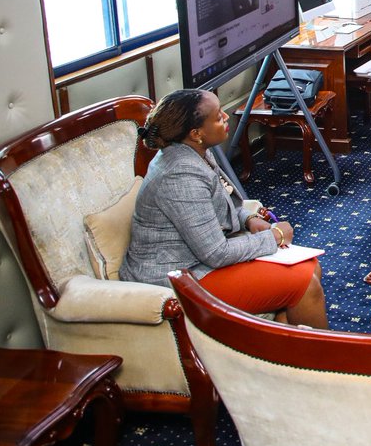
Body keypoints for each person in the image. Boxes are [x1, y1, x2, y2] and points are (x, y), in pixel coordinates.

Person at [121, 89, 328, 328]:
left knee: (310, 265)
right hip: (179, 278)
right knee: (304, 282)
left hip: (199, 262)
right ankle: (328, 361)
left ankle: (285, 348)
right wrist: (274, 236)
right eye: (218, 117)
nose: (226, 117)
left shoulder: (196, 151)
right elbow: (216, 253)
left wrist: (250, 219)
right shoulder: (180, 174)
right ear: (196, 133)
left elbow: (223, 202)